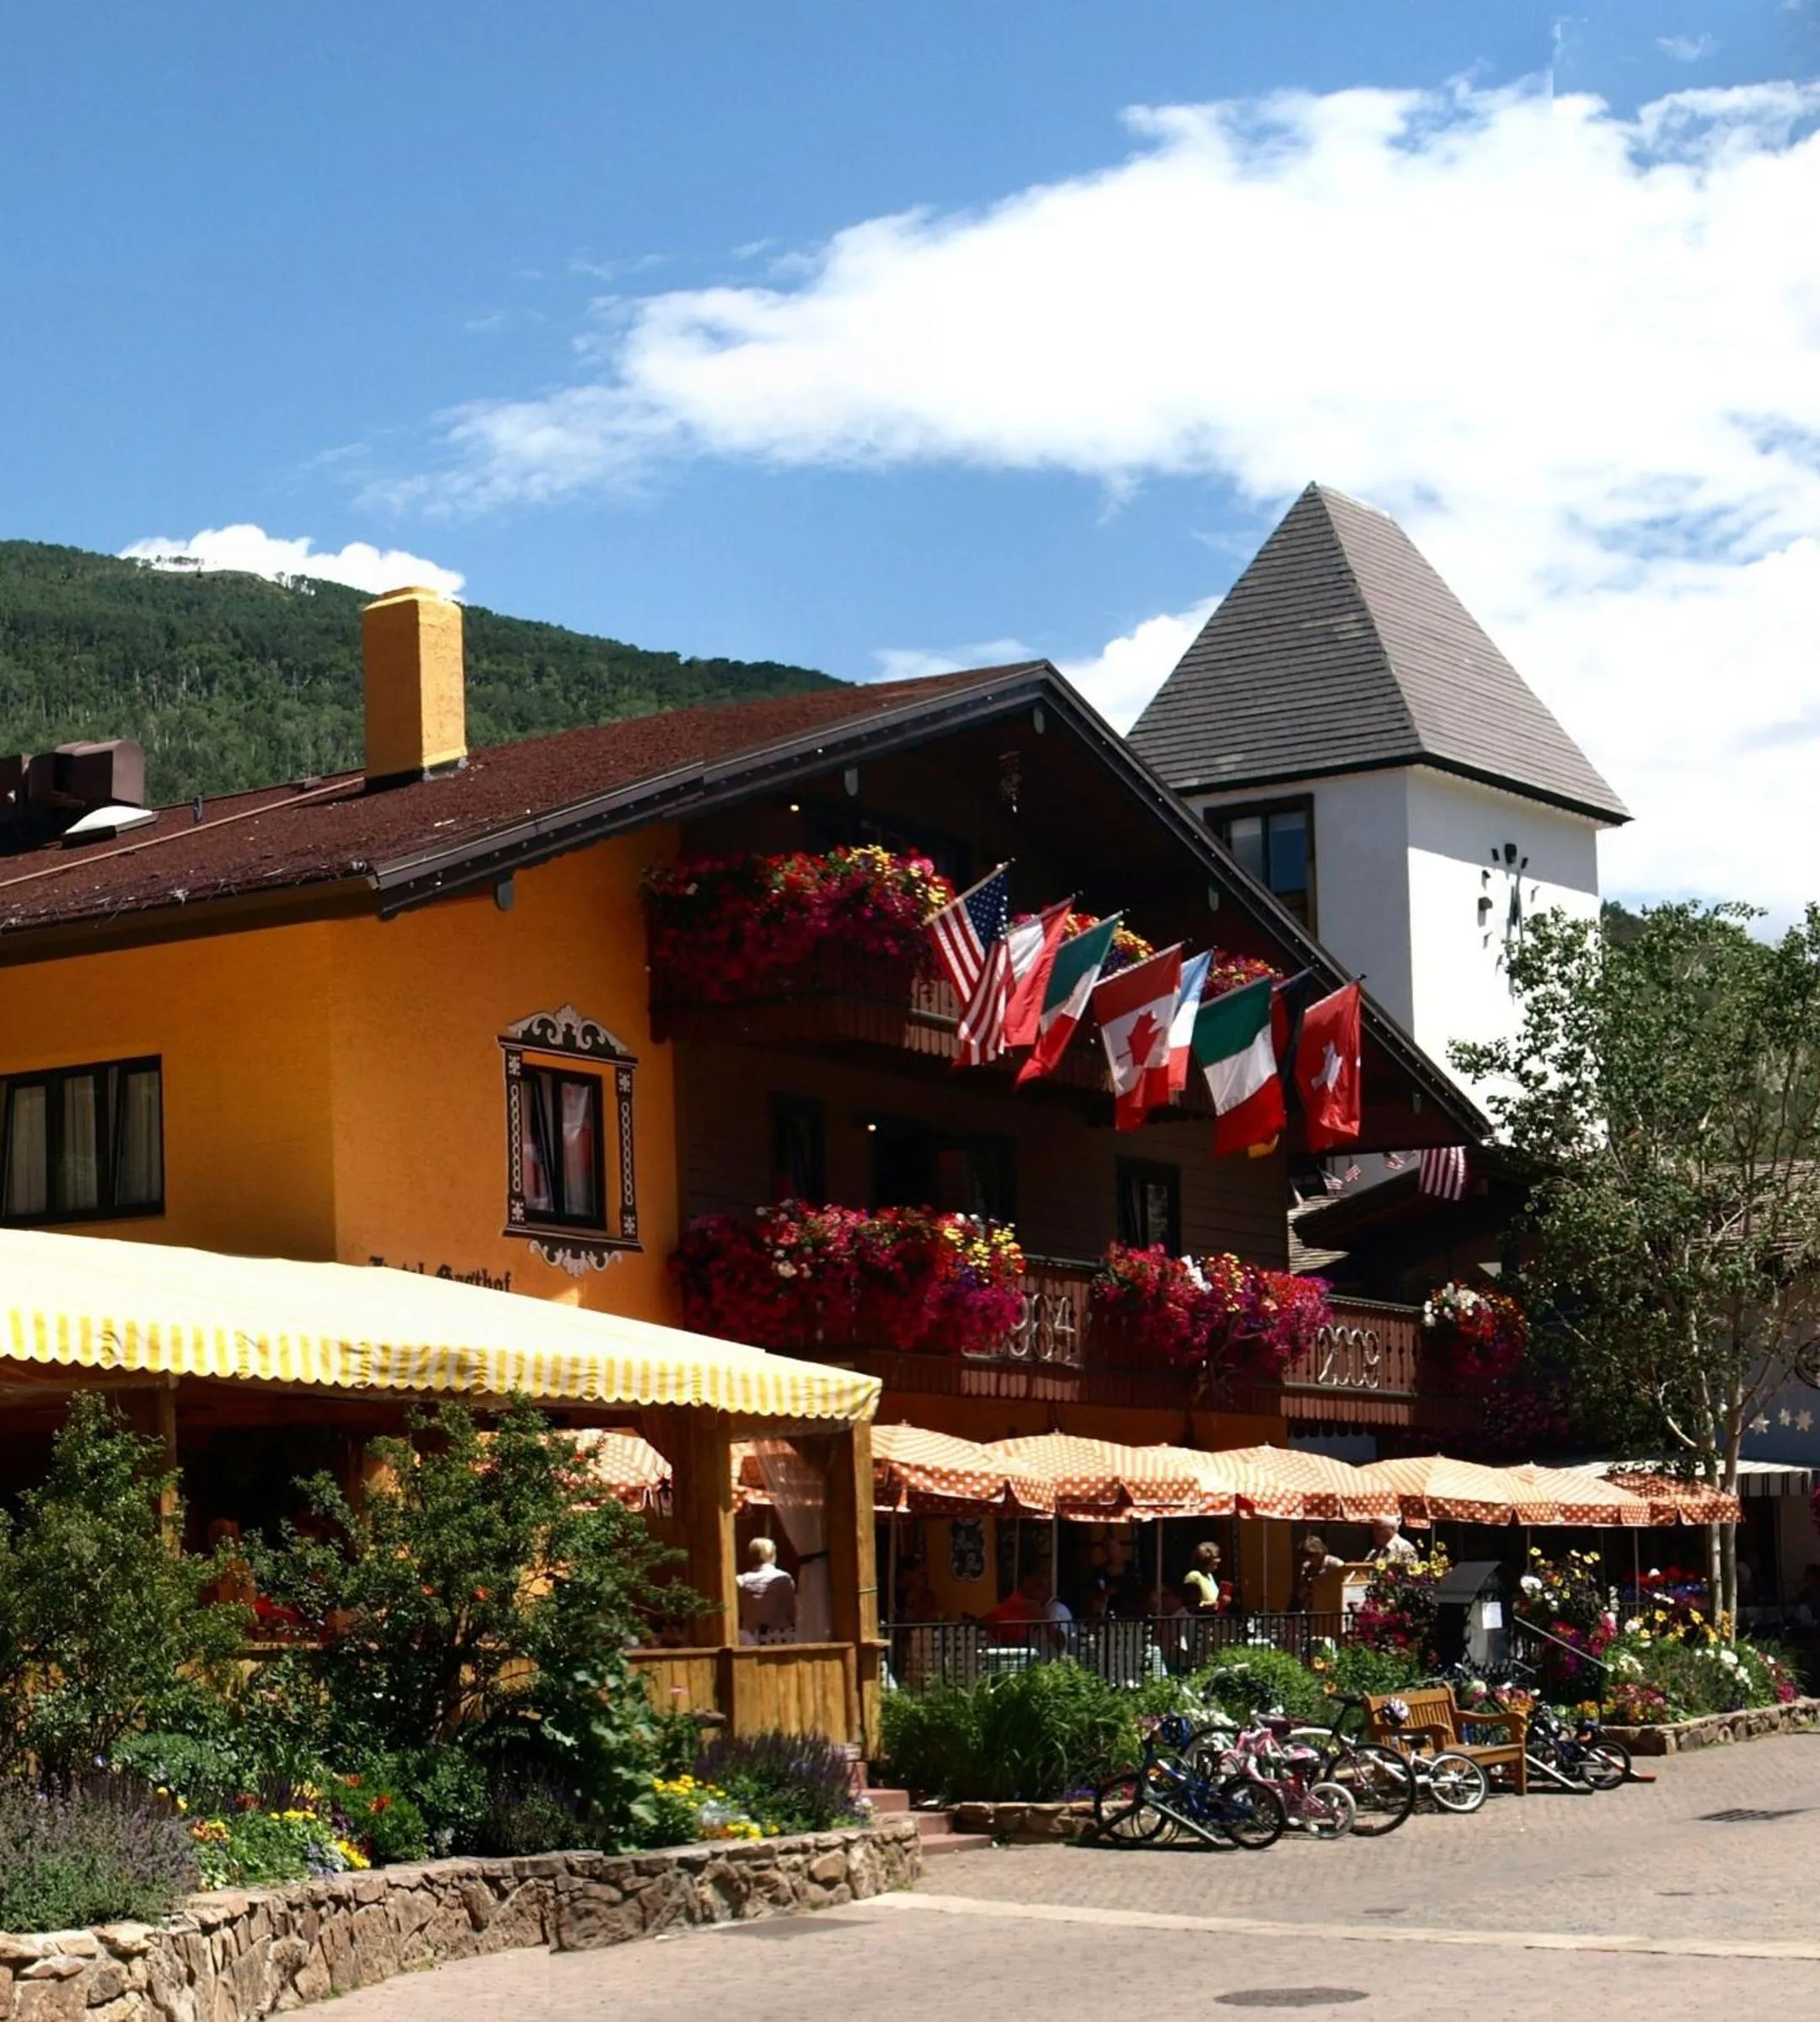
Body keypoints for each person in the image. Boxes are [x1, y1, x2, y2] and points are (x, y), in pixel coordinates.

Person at [736, 1536, 797, 1644]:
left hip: (750, 1640)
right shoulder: (783, 1578)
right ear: (772, 1554)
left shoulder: (740, 1580)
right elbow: (792, 1610)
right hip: (780, 1638)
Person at [1291, 1534, 1344, 1613]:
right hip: (1313, 1608)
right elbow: (1301, 1591)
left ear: (1320, 1552)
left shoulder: (1334, 1564)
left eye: (1312, 1555)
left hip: (1332, 1606)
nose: (1309, 1559)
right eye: (1306, 1556)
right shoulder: (1306, 1567)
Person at [1181, 1540, 1226, 1614]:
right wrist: (1209, 1606)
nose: (1219, 1560)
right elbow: (1189, 1606)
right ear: (1205, 1558)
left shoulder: (1209, 1576)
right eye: (1215, 1557)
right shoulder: (1194, 1576)